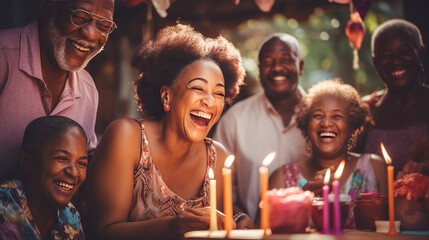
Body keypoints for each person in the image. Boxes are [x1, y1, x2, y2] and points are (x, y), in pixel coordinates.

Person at [85, 24, 247, 239]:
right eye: (198, 88)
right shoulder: (126, 137)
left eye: (219, 94)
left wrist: (236, 221)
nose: (209, 101)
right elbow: (100, 233)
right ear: (167, 96)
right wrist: (172, 227)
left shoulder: (218, 158)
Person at [0, 0, 116, 182]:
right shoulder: (4, 55)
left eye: (104, 26)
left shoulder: (88, 88)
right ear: (45, 5)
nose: (92, 34)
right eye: (79, 17)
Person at [213, 33, 307, 222]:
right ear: (259, 69)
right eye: (268, 62)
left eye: (286, 60)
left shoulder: (321, 119)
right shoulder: (234, 120)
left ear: (301, 66)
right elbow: (220, 189)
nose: (277, 67)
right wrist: (240, 217)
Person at [269, 80, 388, 228]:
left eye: (337, 116)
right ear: (306, 125)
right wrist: (303, 202)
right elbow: (262, 231)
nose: (326, 123)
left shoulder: (375, 168)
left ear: (353, 127)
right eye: (318, 115)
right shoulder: (281, 179)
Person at [361, 19, 429, 178]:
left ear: (421, 53)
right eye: (386, 55)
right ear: (375, 62)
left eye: (404, 51)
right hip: (371, 202)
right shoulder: (366, 110)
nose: (396, 61)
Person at [0, 116, 88, 239]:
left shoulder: (70, 215)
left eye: (82, 163)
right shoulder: (3, 207)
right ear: (26, 161)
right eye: (62, 158)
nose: (74, 172)